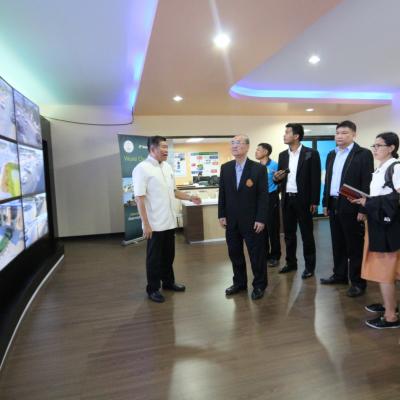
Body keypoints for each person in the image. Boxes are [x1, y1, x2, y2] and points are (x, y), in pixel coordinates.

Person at [133, 135, 201, 303]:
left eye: (166, 147)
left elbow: (174, 191)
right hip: (154, 224)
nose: (166, 150)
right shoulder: (141, 168)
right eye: (163, 147)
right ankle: (152, 288)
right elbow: (139, 198)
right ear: (152, 149)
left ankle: (168, 282)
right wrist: (146, 224)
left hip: (169, 222)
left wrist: (190, 197)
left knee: (168, 256)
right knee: (154, 259)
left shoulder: (168, 167)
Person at [351, 132, 400, 328]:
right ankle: (389, 306)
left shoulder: (396, 167)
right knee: (385, 269)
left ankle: (391, 317)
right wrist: (366, 204)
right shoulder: (381, 168)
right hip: (378, 223)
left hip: (388, 227)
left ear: (392, 148)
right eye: (374, 145)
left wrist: (368, 202)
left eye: (379, 145)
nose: (375, 149)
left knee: (385, 270)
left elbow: (396, 199)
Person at [320, 120, 374, 297]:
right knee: (337, 243)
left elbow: (367, 181)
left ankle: (358, 282)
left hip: (353, 204)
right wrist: (325, 203)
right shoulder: (332, 154)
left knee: (354, 246)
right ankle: (339, 275)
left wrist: (363, 209)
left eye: (344, 133)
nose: (339, 136)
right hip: (334, 203)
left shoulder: (363, 154)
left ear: (353, 135)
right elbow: (328, 180)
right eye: (337, 133)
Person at [218, 134, 268, 300]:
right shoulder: (226, 168)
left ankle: (259, 285)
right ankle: (239, 283)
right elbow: (222, 193)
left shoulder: (258, 169)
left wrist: (261, 218)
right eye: (232, 143)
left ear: (247, 147)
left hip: (253, 221)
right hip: (231, 220)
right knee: (235, 253)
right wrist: (221, 214)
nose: (234, 145)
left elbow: (263, 196)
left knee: (256, 255)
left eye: (238, 143)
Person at [273, 123, 321, 279]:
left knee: (307, 235)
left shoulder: (311, 153)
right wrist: (276, 178)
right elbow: (280, 178)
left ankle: (309, 267)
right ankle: (291, 263)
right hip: (287, 198)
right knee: (288, 234)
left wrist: (314, 201)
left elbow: (315, 179)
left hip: (304, 200)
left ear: (296, 136)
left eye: (287, 132)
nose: (284, 135)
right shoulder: (283, 155)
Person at [255, 143, 281, 267]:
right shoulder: (256, 167)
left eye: (258, 150)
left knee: (273, 229)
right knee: (261, 229)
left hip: (271, 198)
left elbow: (280, 182)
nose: (256, 152)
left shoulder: (275, 165)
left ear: (266, 152)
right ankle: (265, 255)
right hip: (259, 200)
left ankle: (275, 256)